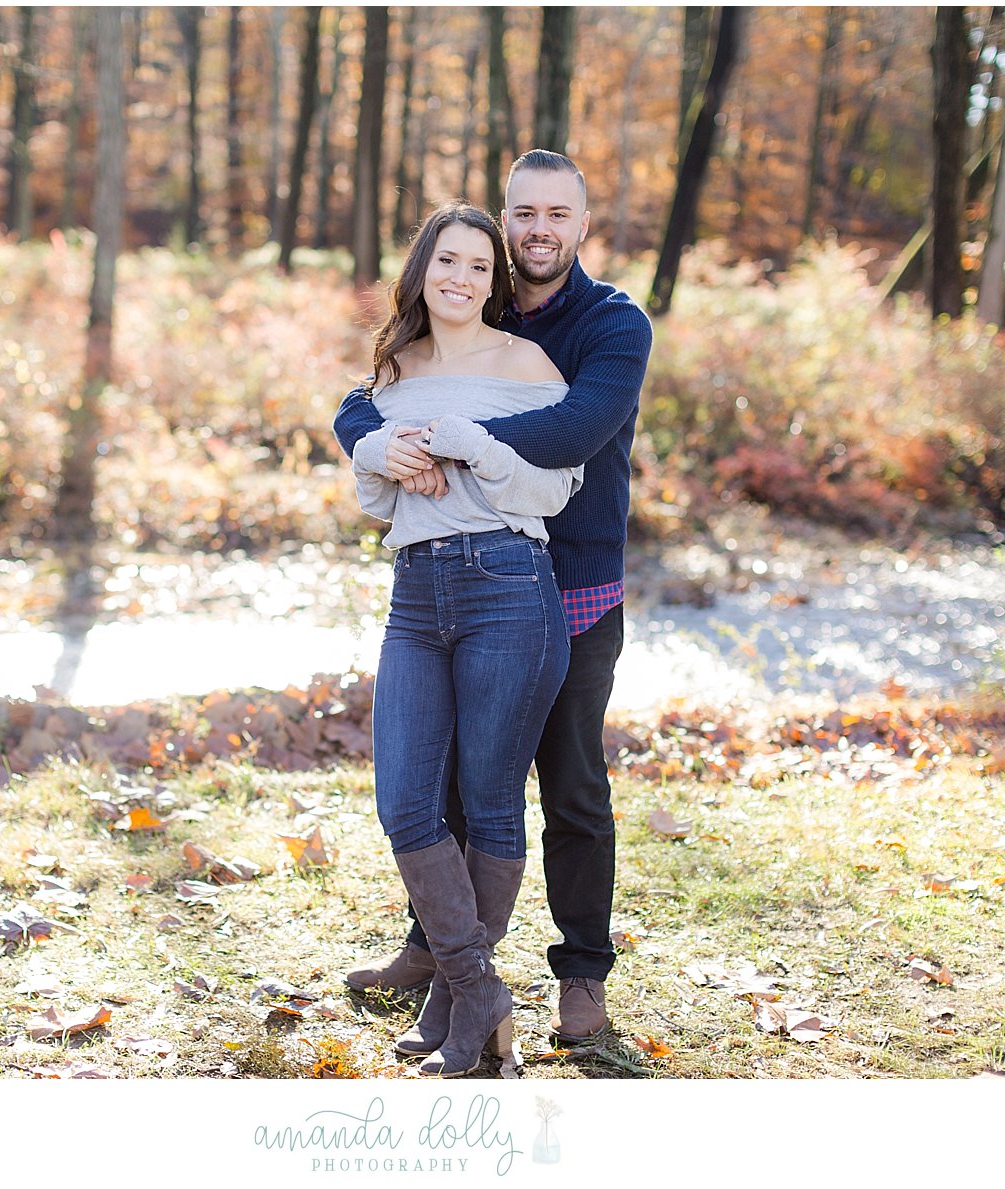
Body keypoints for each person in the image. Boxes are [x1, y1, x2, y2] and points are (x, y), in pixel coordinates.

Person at [334, 149, 653, 1044]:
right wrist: (372, 438)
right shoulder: (479, 299)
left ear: (583, 225)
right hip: (455, 575)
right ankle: (438, 952)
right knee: (449, 782)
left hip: (574, 578)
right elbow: (365, 399)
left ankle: (581, 972)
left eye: (558, 213)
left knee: (572, 785)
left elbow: (576, 428)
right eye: (524, 213)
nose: (537, 230)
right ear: (505, 219)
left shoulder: (612, 323)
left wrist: (445, 435)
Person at [349, 200, 581, 1077]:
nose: (460, 278)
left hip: (507, 585)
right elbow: (380, 500)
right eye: (446, 261)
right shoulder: (394, 369)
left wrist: (474, 446)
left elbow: (554, 489)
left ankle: (457, 1000)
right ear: (421, 269)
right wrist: (380, 457)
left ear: (496, 281)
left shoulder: (528, 363)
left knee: (486, 803)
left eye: (479, 267)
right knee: (405, 802)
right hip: (416, 591)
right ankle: (477, 989)